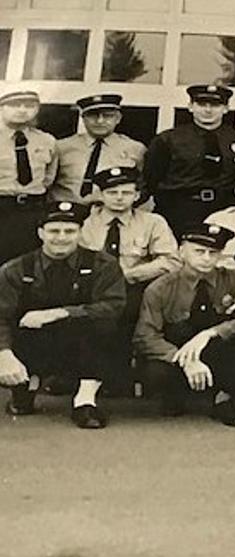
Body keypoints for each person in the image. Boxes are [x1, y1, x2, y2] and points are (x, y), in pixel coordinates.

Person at [0, 201, 125, 429]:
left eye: (69, 231)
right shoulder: (16, 269)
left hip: (82, 342)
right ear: (41, 233)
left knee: (103, 325)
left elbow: (113, 306)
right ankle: (26, 386)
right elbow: (1, 316)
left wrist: (59, 313)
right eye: (54, 231)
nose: (61, 237)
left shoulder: (103, 265)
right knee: (20, 328)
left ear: (80, 232)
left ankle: (85, 400)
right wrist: (4, 354)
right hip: (33, 342)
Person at [133, 223, 235, 427]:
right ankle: (176, 393)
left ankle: (226, 398)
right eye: (199, 251)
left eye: (213, 253)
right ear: (182, 252)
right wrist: (185, 360)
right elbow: (146, 336)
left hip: (220, 349)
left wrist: (211, 333)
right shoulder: (160, 288)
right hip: (179, 350)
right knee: (155, 372)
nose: (206, 258)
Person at [80, 166, 181, 393]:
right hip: (92, 288)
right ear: (101, 194)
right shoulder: (85, 222)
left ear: (136, 195)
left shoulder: (153, 222)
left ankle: (125, 377)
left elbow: (171, 261)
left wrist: (129, 275)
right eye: (111, 192)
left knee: (132, 314)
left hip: (136, 287)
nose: (118, 198)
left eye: (126, 193)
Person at [144, 84, 235, 238]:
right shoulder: (169, 139)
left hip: (226, 209)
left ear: (226, 108)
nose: (208, 110)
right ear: (190, 106)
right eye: (201, 104)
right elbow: (150, 179)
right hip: (179, 210)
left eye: (215, 105)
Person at [52, 93, 146, 204]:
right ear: (83, 118)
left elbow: (143, 186)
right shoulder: (61, 147)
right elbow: (46, 182)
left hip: (109, 213)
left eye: (108, 116)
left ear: (118, 118)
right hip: (66, 213)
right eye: (93, 115)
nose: (100, 121)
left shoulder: (135, 149)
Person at [0, 90, 57, 263]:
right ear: (1, 108)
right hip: (2, 206)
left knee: (26, 263)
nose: (22, 110)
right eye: (15, 105)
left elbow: (48, 178)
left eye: (29, 106)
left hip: (31, 210)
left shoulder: (47, 141)